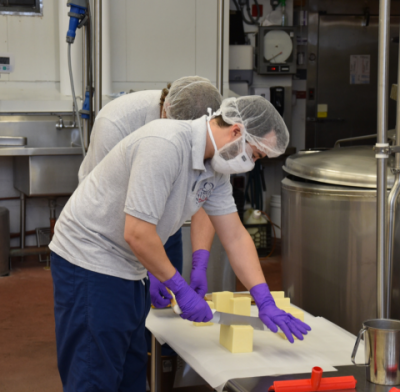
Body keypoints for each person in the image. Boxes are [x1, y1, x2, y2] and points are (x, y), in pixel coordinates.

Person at [49, 95, 311, 392]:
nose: (250, 164)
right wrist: (179, 287)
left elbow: (235, 236)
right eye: (255, 155)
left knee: (130, 372)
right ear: (237, 132)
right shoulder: (166, 145)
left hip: (128, 265)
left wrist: (263, 298)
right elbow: (137, 233)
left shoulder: (216, 169)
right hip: (89, 259)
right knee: (95, 374)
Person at [78, 76, 220, 309]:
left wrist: (200, 264)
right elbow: (106, 202)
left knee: (166, 309)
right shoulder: (116, 122)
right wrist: (148, 266)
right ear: (165, 112)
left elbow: (206, 195)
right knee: (120, 307)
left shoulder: (211, 132)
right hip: (111, 229)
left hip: (166, 218)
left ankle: (159, 345)